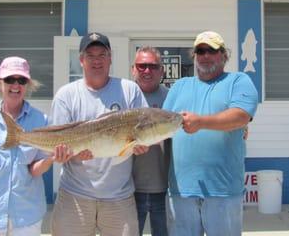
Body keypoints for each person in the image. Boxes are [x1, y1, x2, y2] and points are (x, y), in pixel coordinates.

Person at [0, 56, 73, 236]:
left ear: (28, 84)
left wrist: (51, 159)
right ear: (0, 83)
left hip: (26, 219)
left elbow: (34, 170)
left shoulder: (41, 120)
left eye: (22, 80)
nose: (15, 85)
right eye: (10, 79)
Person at [50, 32, 149, 236]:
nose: (96, 61)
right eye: (90, 55)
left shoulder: (130, 90)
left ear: (110, 58)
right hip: (74, 196)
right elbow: (57, 141)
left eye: (102, 55)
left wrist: (142, 145)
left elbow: (143, 130)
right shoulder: (66, 95)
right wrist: (67, 154)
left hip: (119, 197)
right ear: (81, 60)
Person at [163, 31, 259, 236]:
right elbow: (162, 127)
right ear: (194, 56)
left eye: (211, 50)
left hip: (223, 191)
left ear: (224, 55)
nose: (205, 55)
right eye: (200, 51)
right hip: (181, 191)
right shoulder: (179, 86)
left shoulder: (238, 81)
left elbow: (241, 116)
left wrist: (201, 122)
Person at [131, 46, 170, 236]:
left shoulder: (172, 97)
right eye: (142, 66)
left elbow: (194, 118)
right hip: (128, 190)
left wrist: (240, 126)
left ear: (162, 70)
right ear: (133, 69)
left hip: (165, 190)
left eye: (153, 66)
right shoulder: (124, 96)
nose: (147, 71)